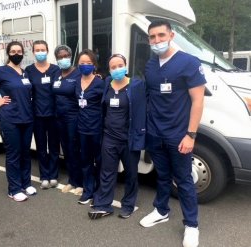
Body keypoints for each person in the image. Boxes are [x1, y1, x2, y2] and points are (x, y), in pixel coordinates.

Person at [139, 20, 206, 247]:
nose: (156, 41)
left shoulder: (189, 63)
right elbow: (150, 97)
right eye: (152, 37)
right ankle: (161, 210)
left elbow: (198, 101)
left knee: (184, 180)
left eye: (160, 35)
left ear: (171, 35)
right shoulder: (150, 65)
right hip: (155, 133)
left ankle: (191, 225)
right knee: (163, 176)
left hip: (179, 135)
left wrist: (191, 135)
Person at [0, 41, 36, 202]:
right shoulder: (1, 71)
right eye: (13, 51)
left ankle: (26, 183)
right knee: (13, 154)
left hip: (27, 119)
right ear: (8, 53)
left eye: (19, 51)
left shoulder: (25, 73)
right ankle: (14, 189)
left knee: (25, 153)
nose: (16, 54)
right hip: (10, 119)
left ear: (23, 53)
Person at [88, 54, 146, 219]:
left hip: (128, 139)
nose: (116, 69)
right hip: (109, 138)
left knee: (131, 173)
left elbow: (143, 109)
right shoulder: (107, 83)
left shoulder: (136, 85)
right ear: (109, 69)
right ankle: (103, 205)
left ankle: (128, 204)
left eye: (120, 65)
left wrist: (141, 135)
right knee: (107, 172)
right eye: (113, 67)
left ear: (126, 66)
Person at [25, 40, 61, 189]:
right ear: (33, 52)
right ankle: (44, 176)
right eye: (37, 50)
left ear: (47, 51)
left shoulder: (55, 69)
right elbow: (24, 90)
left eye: (43, 49)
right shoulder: (29, 70)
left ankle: (53, 175)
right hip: (37, 115)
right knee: (41, 147)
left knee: (53, 147)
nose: (40, 52)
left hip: (53, 114)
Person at [52, 45, 83, 195]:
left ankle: (80, 183)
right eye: (60, 57)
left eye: (66, 56)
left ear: (70, 57)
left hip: (73, 118)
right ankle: (72, 181)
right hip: (59, 118)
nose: (63, 59)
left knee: (74, 149)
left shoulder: (78, 73)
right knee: (66, 150)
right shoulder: (56, 74)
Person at [75, 49, 104, 204]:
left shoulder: (100, 82)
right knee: (85, 161)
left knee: (99, 161)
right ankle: (88, 190)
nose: (85, 66)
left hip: (97, 129)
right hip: (82, 129)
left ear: (94, 65)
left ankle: (99, 191)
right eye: (82, 63)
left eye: (88, 63)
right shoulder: (76, 80)